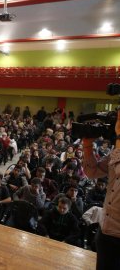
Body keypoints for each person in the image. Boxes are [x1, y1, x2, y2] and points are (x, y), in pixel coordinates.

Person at [83, 110, 120, 270]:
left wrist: (119, 138)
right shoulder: (115, 153)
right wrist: (87, 145)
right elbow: (92, 172)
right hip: (106, 230)